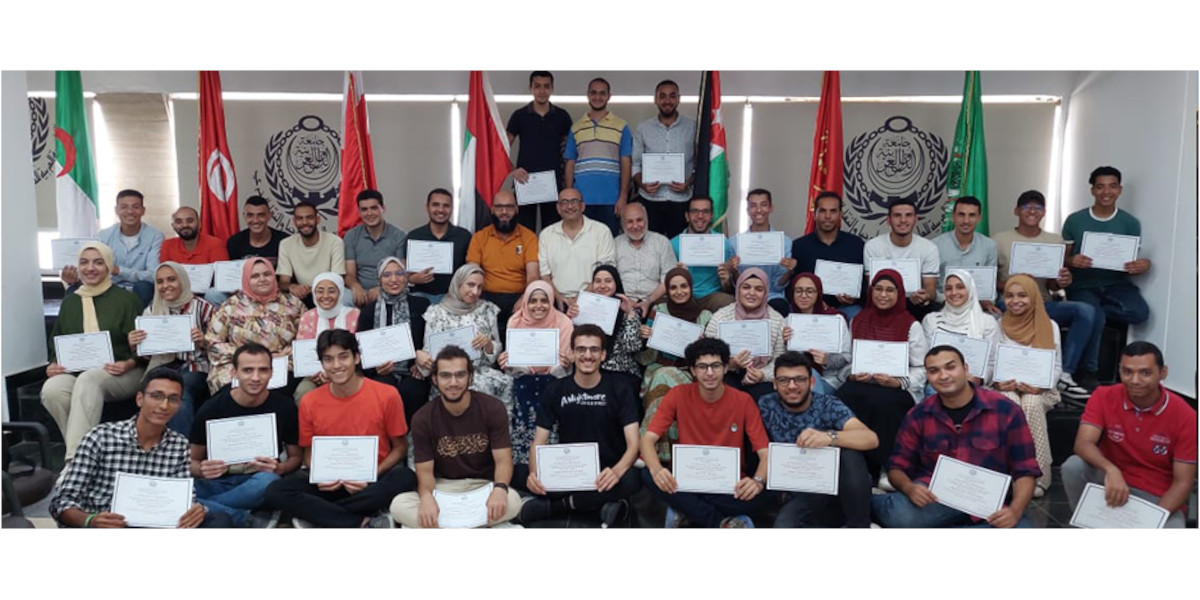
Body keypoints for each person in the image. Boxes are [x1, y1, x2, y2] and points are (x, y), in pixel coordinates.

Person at [871, 345, 1040, 528]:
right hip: (936, 499)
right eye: (934, 371)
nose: (943, 376)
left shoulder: (1006, 410)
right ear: (928, 377)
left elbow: (1025, 469)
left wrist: (1015, 511)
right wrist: (909, 488)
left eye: (950, 367)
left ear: (966, 369)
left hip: (988, 503)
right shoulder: (919, 415)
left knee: (1022, 530)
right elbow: (897, 467)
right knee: (900, 516)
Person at [264, 329, 417, 528]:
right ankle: (360, 520)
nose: (336, 365)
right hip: (330, 483)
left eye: (343, 357)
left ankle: (323, 515)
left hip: (372, 480)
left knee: (405, 477)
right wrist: (322, 476)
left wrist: (372, 474)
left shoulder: (387, 395)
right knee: (275, 491)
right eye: (328, 359)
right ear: (322, 364)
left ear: (356, 358)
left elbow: (400, 447)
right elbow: (308, 453)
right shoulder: (310, 401)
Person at [49, 366, 229, 528]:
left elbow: (183, 500)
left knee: (220, 519)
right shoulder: (101, 437)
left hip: (155, 525)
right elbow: (61, 502)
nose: (164, 406)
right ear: (140, 399)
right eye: (156, 396)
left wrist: (198, 510)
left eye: (173, 399)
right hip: (107, 526)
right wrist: (90, 520)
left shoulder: (179, 444)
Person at [640, 338, 772, 528]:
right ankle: (720, 522)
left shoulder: (743, 400)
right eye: (702, 367)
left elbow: (765, 452)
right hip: (687, 478)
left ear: (725, 368)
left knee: (768, 490)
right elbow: (648, 439)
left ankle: (687, 510)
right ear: (693, 370)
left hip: (729, 483)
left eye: (715, 366)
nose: (709, 373)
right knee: (648, 474)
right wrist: (656, 470)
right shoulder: (677, 394)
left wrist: (757, 481)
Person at [1062, 342, 1196, 529]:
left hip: (1156, 497)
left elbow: (1183, 483)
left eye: (1145, 373)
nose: (1135, 380)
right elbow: (1083, 443)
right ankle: (1088, 524)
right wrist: (1111, 469)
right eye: (1127, 372)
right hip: (1111, 485)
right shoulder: (1103, 396)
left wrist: (1151, 520)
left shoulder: (1186, 416)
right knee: (1073, 466)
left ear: (1163, 373)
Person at [519, 324, 642, 527]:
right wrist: (534, 473)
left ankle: (556, 507)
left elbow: (634, 443)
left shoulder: (621, 389)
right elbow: (539, 441)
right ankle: (600, 506)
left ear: (603, 355)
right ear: (572, 353)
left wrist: (617, 471)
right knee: (521, 473)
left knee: (633, 479)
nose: (587, 356)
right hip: (570, 470)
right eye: (581, 349)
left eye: (594, 350)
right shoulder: (555, 389)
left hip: (606, 471)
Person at [389, 346, 523, 528]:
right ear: (435, 379)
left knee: (512, 500)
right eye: (445, 376)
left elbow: (503, 460)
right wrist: (427, 498)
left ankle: (444, 526)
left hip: (482, 486)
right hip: (442, 488)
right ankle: (473, 524)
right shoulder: (423, 418)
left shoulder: (492, 408)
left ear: (470, 377)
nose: (453, 382)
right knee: (398, 505)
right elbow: (425, 472)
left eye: (460, 375)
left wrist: (499, 489)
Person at [42, 241, 145, 461]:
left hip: (125, 371)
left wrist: (129, 362)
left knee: (89, 379)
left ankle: (75, 460)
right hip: (79, 372)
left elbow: (145, 348)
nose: (90, 268)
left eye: (98, 262)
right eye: (84, 262)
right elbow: (57, 341)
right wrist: (54, 364)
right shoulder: (70, 302)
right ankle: (89, 454)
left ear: (108, 266)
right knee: (53, 389)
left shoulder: (127, 300)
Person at [993, 189, 1097, 398]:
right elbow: (991, 280)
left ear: (1044, 212)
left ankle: (1065, 374)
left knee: (1085, 311)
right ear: (1016, 211)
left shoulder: (1055, 241)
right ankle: (1012, 374)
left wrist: (1061, 281)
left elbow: (1053, 284)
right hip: (1011, 303)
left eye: (1038, 207)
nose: (1032, 211)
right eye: (1026, 207)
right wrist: (1018, 286)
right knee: (1004, 307)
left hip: (1045, 303)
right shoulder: (999, 240)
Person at [758, 351, 878, 528]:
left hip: (827, 484)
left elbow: (870, 438)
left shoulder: (828, 404)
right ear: (775, 384)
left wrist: (829, 437)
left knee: (850, 454)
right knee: (783, 525)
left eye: (800, 379)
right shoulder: (766, 404)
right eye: (784, 380)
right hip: (791, 484)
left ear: (812, 382)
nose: (792, 386)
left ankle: (859, 526)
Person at [189, 343, 302, 527]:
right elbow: (191, 462)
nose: (255, 378)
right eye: (247, 370)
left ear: (272, 373)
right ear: (234, 372)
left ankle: (206, 508)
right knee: (185, 489)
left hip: (258, 479)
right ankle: (244, 517)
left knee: (271, 482)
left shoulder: (284, 407)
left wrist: (280, 468)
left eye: (263, 370)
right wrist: (202, 469)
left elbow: (296, 457)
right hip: (217, 481)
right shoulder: (211, 408)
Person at [836, 269, 929, 486]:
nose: (883, 295)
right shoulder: (858, 320)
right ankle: (851, 464)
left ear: (899, 293)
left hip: (896, 387)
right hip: (863, 383)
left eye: (890, 290)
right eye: (878, 289)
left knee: (884, 403)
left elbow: (921, 368)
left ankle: (888, 465)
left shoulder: (911, 325)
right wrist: (853, 374)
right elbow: (847, 360)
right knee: (843, 396)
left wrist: (898, 382)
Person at [988, 274, 1063, 496]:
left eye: (1022, 295)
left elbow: (1056, 365)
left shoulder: (1050, 326)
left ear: (1033, 297)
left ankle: (1038, 476)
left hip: (1040, 389)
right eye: (1009, 296)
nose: (1015, 301)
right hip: (1005, 388)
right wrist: (998, 382)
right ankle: (1011, 474)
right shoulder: (998, 326)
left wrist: (1042, 385)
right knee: (1010, 404)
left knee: (1031, 403)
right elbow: (991, 362)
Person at [128, 261, 217, 437]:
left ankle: (180, 447)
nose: (165, 285)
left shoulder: (204, 308)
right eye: (160, 281)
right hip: (161, 366)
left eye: (171, 279)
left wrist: (204, 341)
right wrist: (135, 344)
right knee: (151, 395)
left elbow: (219, 347)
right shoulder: (152, 309)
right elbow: (147, 357)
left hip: (195, 366)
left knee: (178, 394)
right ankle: (149, 444)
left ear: (182, 280)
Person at [638, 267, 714, 462]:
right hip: (657, 369)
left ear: (691, 287)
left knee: (664, 378)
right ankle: (668, 452)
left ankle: (647, 447)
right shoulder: (659, 311)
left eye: (683, 286)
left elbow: (711, 359)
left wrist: (702, 348)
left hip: (691, 374)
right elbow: (646, 359)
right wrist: (646, 340)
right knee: (662, 377)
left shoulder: (705, 316)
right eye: (673, 288)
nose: (679, 291)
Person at [1062, 166, 1151, 326]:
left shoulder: (1130, 223)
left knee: (1139, 313)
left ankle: (1098, 312)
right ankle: (1093, 313)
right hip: (1082, 285)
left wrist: (1142, 265)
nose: (1106, 192)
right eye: (1100, 187)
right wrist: (1072, 261)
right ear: (1092, 190)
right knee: (1091, 316)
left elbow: (1130, 262)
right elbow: (1062, 259)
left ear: (1120, 190)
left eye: (1112, 186)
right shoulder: (1074, 220)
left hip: (1117, 284)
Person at [416, 263, 513, 410]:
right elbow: (428, 353)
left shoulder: (487, 309)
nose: (475, 292)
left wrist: (488, 344)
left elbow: (497, 348)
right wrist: (421, 356)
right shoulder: (436, 313)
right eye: (471, 285)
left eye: (480, 287)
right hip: (449, 374)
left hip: (480, 371)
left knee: (501, 383)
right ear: (458, 283)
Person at [498, 280, 574, 466]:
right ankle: (522, 457)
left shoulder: (563, 322)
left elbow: (564, 361)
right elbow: (514, 360)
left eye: (544, 300)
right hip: (523, 376)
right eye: (533, 301)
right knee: (523, 383)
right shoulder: (515, 321)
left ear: (551, 301)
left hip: (555, 375)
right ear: (525, 302)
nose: (538, 306)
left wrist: (565, 363)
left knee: (552, 384)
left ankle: (553, 455)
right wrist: (507, 361)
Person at [204, 257, 305, 394]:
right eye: (255, 276)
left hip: (280, 362)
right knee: (232, 392)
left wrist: (284, 356)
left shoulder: (293, 304)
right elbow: (212, 341)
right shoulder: (230, 306)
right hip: (239, 363)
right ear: (246, 279)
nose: (262, 279)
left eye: (267, 274)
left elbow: (305, 340)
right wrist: (247, 357)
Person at [356, 257, 432, 425]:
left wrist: (419, 362)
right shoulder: (368, 312)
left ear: (406, 277)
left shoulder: (421, 305)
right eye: (387, 275)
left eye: (399, 273)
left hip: (413, 369)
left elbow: (429, 340)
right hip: (381, 372)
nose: (393, 279)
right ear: (379, 280)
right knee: (383, 390)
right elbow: (361, 353)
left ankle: (411, 436)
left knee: (413, 390)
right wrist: (375, 368)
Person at [63, 189, 162, 306]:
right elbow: (95, 269)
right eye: (124, 207)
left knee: (144, 288)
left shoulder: (155, 236)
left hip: (139, 288)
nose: (130, 211)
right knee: (73, 291)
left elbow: (153, 275)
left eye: (135, 207)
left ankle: (136, 318)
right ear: (116, 210)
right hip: (107, 286)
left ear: (143, 210)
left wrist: (118, 270)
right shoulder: (103, 236)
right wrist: (74, 277)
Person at [465, 189, 540, 337]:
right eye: (499, 207)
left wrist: (524, 299)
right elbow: (472, 272)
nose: (504, 212)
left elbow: (533, 276)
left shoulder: (529, 237)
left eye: (509, 207)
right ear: (492, 210)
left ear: (516, 209)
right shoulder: (479, 237)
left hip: (519, 296)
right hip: (486, 296)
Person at [563, 77, 632, 235]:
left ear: (609, 96)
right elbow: (570, 163)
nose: (597, 97)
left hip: (611, 200)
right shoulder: (576, 128)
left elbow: (626, 162)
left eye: (602, 93)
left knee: (609, 243)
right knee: (582, 243)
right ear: (588, 95)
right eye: (593, 93)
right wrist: (569, 197)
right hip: (582, 200)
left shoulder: (622, 126)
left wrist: (623, 196)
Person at [703, 268, 786, 399]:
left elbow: (779, 360)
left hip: (761, 375)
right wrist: (729, 364)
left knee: (766, 396)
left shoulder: (776, 320)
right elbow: (708, 356)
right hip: (726, 373)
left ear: (766, 293)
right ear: (738, 290)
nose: (751, 293)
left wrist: (762, 374)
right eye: (746, 287)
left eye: (759, 289)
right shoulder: (721, 317)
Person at [507, 71, 573, 232]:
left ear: (552, 88)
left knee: (553, 232)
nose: (542, 91)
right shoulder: (519, 115)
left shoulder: (562, 116)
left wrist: (568, 184)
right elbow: (502, 147)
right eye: (537, 86)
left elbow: (569, 153)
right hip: (525, 182)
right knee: (523, 231)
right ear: (530, 88)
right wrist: (512, 170)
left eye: (546, 86)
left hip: (554, 184)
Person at [633, 80, 696, 239]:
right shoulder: (643, 128)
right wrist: (643, 184)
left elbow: (700, 164)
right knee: (651, 246)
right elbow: (635, 164)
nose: (667, 100)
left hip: (681, 200)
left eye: (672, 96)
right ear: (656, 99)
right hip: (650, 200)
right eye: (662, 96)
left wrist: (688, 183)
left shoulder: (693, 127)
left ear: (678, 99)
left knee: (678, 247)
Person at [791, 191, 866, 320]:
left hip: (846, 307)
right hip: (809, 308)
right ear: (814, 215)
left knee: (857, 316)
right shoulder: (799, 246)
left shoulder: (856, 245)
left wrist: (854, 298)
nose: (827, 216)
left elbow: (864, 283)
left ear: (840, 215)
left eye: (833, 211)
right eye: (822, 211)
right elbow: (793, 284)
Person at [538, 188, 616, 309]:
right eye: (564, 202)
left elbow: (606, 271)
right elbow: (544, 275)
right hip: (557, 301)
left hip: (594, 299)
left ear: (583, 206)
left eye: (574, 201)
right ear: (558, 208)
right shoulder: (546, 235)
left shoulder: (601, 231)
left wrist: (581, 298)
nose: (569, 206)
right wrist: (560, 299)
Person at [920, 269, 999, 389]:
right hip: (940, 382)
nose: (954, 292)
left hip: (973, 384)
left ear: (970, 289)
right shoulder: (931, 320)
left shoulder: (987, 322)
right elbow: (926, 358)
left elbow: (992, 362)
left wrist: (979, 379)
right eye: (948, 288)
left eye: (960, 287)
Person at [863, 197, 940, 320]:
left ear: (916, 219)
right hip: (883, 302)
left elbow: (930, 288)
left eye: (908, 215)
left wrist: (925, 296)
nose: (903, 220)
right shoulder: (873, 246)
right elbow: (872, 287)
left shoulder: (929, 248)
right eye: (897, 215)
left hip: (914, 303)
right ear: (888, 220)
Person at [292, 272, 360, 402]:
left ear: (340, 292)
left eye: (331, 291)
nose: (325, 296)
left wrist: (335, 372)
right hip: (315, 375)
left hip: (350, 372)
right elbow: (304, 354)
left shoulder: (355, 315)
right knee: (303, 391)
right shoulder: (308, 317)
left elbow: (357, 351)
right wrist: (321, 373)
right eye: (320, 291)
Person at [213, 194, 289, 305]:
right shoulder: (234, 242)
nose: (255, 220)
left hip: (275, 292)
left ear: (270, 215)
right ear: (244, 216)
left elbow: (287, 280)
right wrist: (233, 287)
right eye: (250, 215)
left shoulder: (284, 241)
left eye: (261, 215)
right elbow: (231, 274)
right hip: (243, 292)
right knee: (213, 293)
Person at [784, 272, 851, 393]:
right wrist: (784, 343)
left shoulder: (835, 320)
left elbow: (846, 357)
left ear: (818, 294)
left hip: (828, 379)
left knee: (810, 379)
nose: (803, 295)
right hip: (795, 379)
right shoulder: (786, 323)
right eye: (798, 291)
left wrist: (827, 360)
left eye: (810, 291)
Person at [733, 189, 796, 315]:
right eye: (753, 206)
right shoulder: (735, 242)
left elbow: (778, 285)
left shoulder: (784, 242)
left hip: (773, 297)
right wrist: (733, 270)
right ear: (747, 210)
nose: (758, 210)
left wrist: (789, 271)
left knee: (779, 308)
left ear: (771, 208)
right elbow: (736, 284)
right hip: (745, 297)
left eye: (763, 205)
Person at [406, 188, 472, 305]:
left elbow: (470, 269)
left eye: (446, 206)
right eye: (435, 205)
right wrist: (412, 279)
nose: (441, 210)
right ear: (427, 207)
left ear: (452, 208)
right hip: (420, 294)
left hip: (453, 295)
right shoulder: (414, 236)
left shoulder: (464, 236)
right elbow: (404, 272)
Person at [930, 196, 998, 312]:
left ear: (979, 218)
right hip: (943, 304)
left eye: (972, 215)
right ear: (953, 217)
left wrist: (987, 301)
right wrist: (952, 299)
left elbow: (990, 286)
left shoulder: (989, 246)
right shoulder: (935, 245)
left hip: (976, 306)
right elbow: (931, 287)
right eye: (961, 215)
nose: (966, 221)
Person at [343, 189, 407, 307]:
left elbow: (401, 273)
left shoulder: (399, 235)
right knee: (343, 298)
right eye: (364, 209)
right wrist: (355, 286)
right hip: (360, 292)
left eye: (374, 208)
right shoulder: (351, 236)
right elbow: (350, 274)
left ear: (383, 209)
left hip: (390, 287)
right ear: (359, 212)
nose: (369, 213)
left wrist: (382, 288)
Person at [579, 265, 643, 382]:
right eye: (598, 281)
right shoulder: (584, 308)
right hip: (590, 370)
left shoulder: (628, 309)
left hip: (621, 372)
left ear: (616, 283)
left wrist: (630, 313)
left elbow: (631, 346)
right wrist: (571, 317)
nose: (602, 285)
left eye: (608, 281)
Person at [670, 197, 736, 311]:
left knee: (729, 302)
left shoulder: (723, 243)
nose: (700, 216)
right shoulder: (673, 244)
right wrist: (677, 274)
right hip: (683, 295)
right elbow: (666, 282)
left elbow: (728, 287)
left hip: (713, 296)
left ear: (711, 216)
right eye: (695, 211)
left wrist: (726, 280)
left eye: (705, 211)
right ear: (687, 216)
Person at [277, 201, 346, 308]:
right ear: (294, 221)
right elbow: (283, 282)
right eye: (300, 218)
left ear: (318, 219)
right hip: (301, 295)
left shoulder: (335, 242)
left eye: (309, 217)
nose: (305, 222)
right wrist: (292, 287)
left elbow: (337, 279)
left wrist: (313, 289)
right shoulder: (286, 244)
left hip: (328, 293)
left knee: (346, 297)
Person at [614, 202, 677, 317]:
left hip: (656, 301)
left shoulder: (662, 242)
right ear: (622, 224)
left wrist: (648, 301)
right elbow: (610, 278)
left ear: (646, 220)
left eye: (639, 220)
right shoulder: (615, 244)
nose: (635, 226)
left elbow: (668, 279)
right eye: (630, 222)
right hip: (623, 301)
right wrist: (626, 301)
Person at [159, 206, 230, 265]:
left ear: (199, 223)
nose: (185, 225)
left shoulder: (215, 244)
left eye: (190, 220)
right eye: (179, 222)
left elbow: (221, 274)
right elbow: (165, 274)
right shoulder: (167, 245)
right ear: (173, 226)